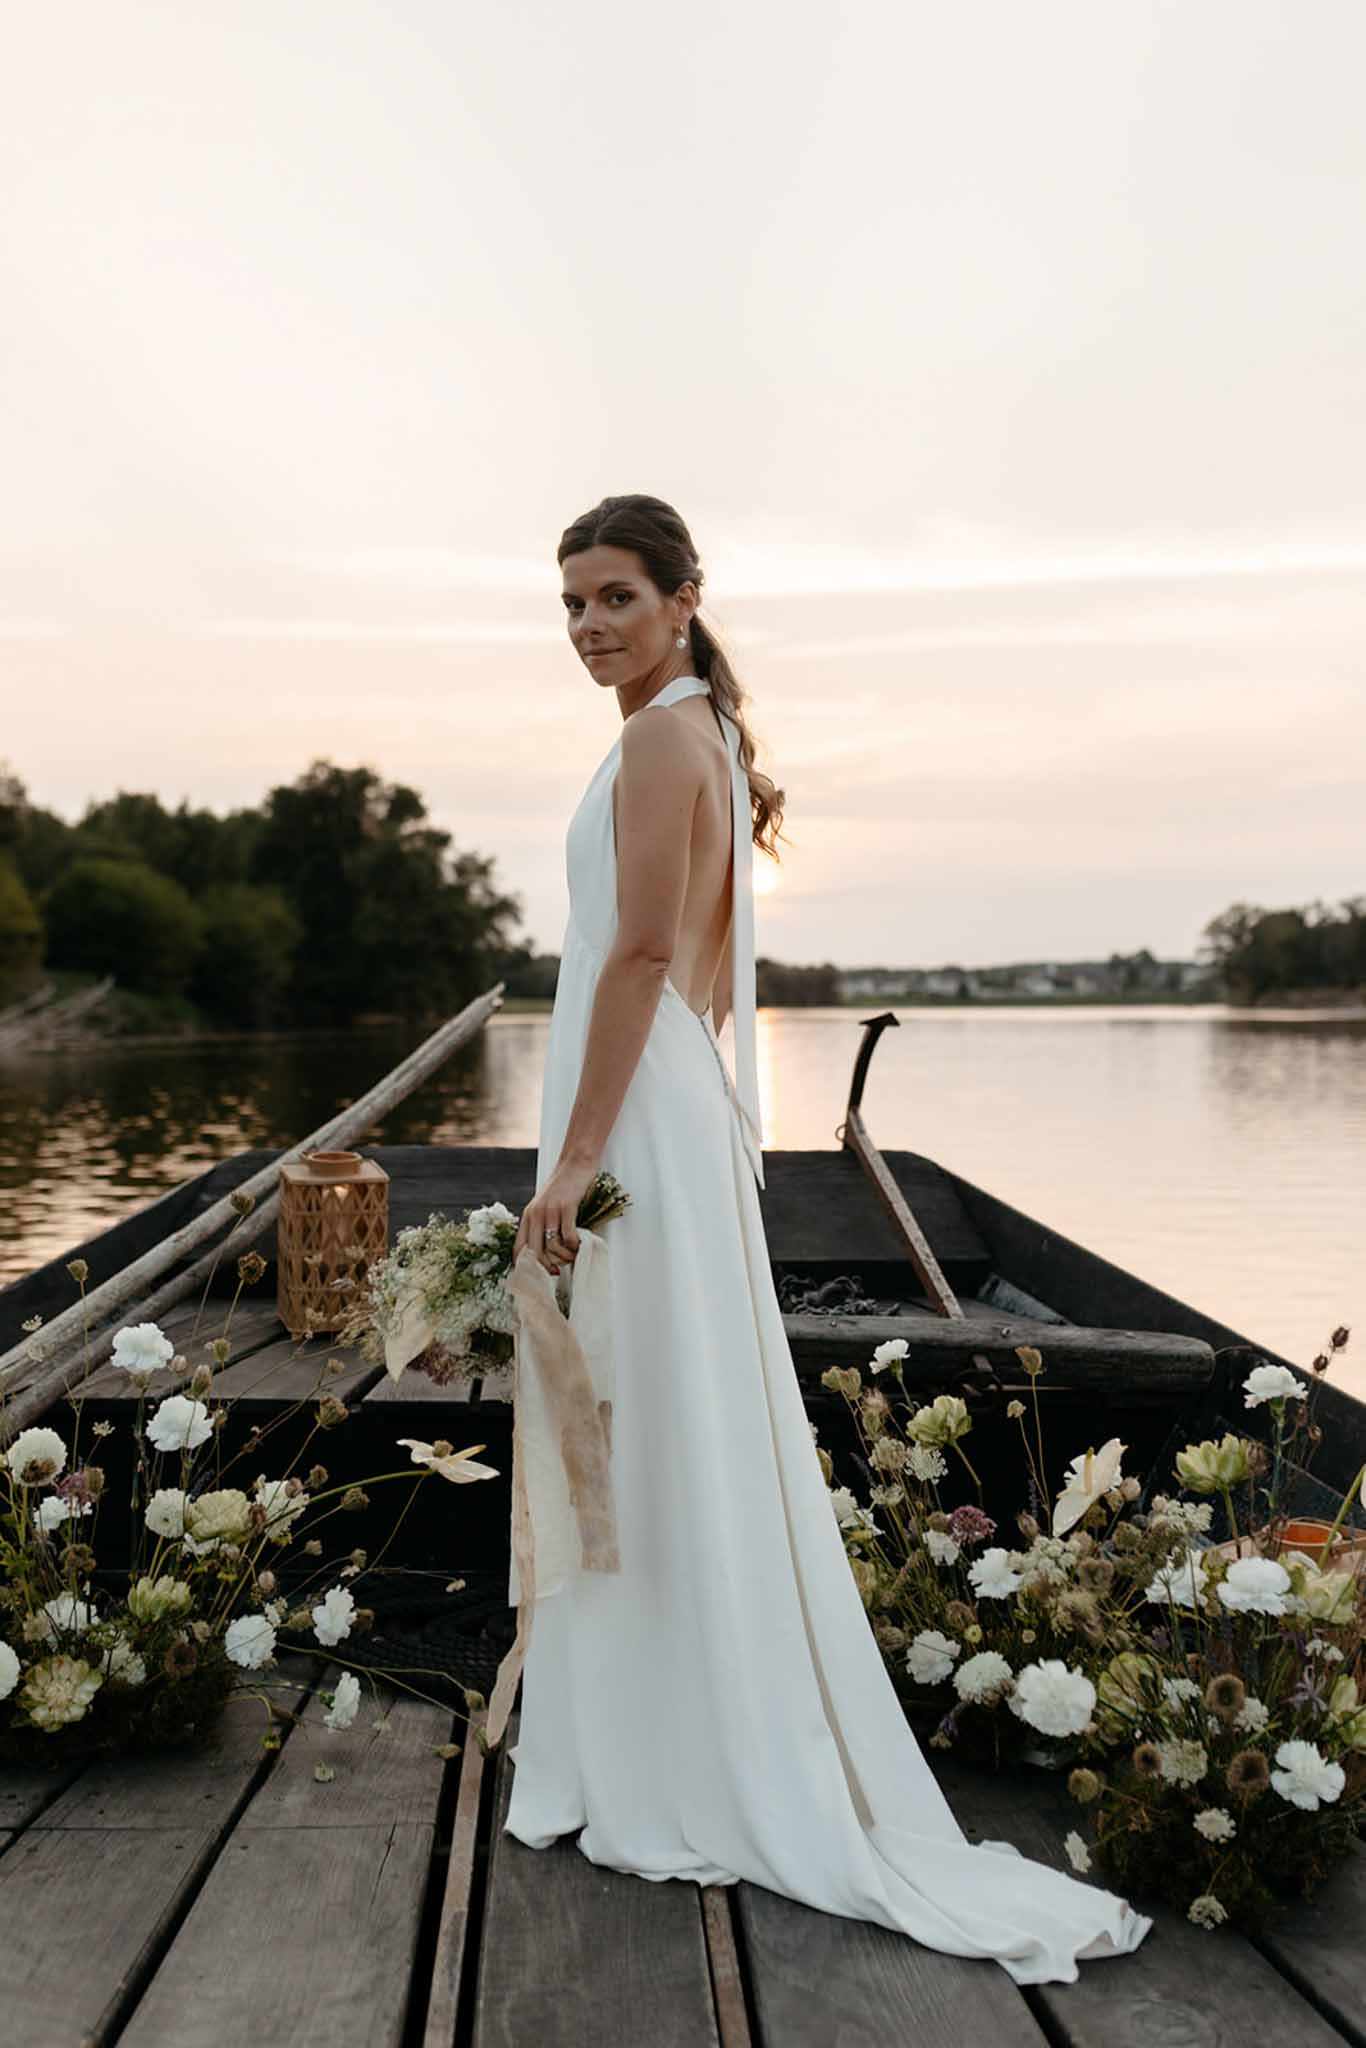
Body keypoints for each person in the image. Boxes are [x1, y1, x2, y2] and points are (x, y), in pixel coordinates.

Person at [503, 493, 1153, 1984]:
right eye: (570, 605)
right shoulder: (700, 736)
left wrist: (579, 1160)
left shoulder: (666, 738)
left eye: (614, 597)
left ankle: (672, 1751)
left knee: (641, 1412)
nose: (590, 626)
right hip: (659, 1100)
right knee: (652, 1416)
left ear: (680, 599)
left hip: (631, 1120)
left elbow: (650, 953)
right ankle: (665, 1729)